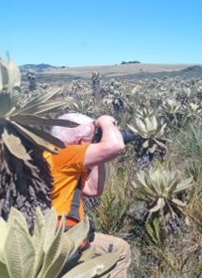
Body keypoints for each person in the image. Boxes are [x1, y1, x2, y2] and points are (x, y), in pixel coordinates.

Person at [45, 113, 131, 278]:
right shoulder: (64, 155)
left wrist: (98, 152)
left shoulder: (49, 152)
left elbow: (92, 190)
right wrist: (105, 122)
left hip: (55, 233)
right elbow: (115, 146)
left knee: (118, 246)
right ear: (78, 142)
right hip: (63, 239)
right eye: (91, 139)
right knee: (118, 251)